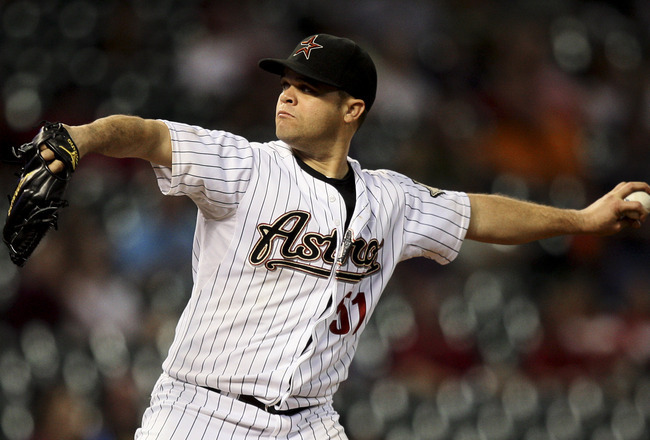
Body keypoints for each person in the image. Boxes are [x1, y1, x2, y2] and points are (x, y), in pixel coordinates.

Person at [39, 34, 648, 440]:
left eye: (308, 88)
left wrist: (582, 219)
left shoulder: (392, 200)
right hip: (202, 412)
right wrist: (79, 139)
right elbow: (148, 135)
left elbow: (478, 214)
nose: (286, 94)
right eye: (287, 82)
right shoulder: (246, 167)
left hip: (309, 423)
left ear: (353, 108)